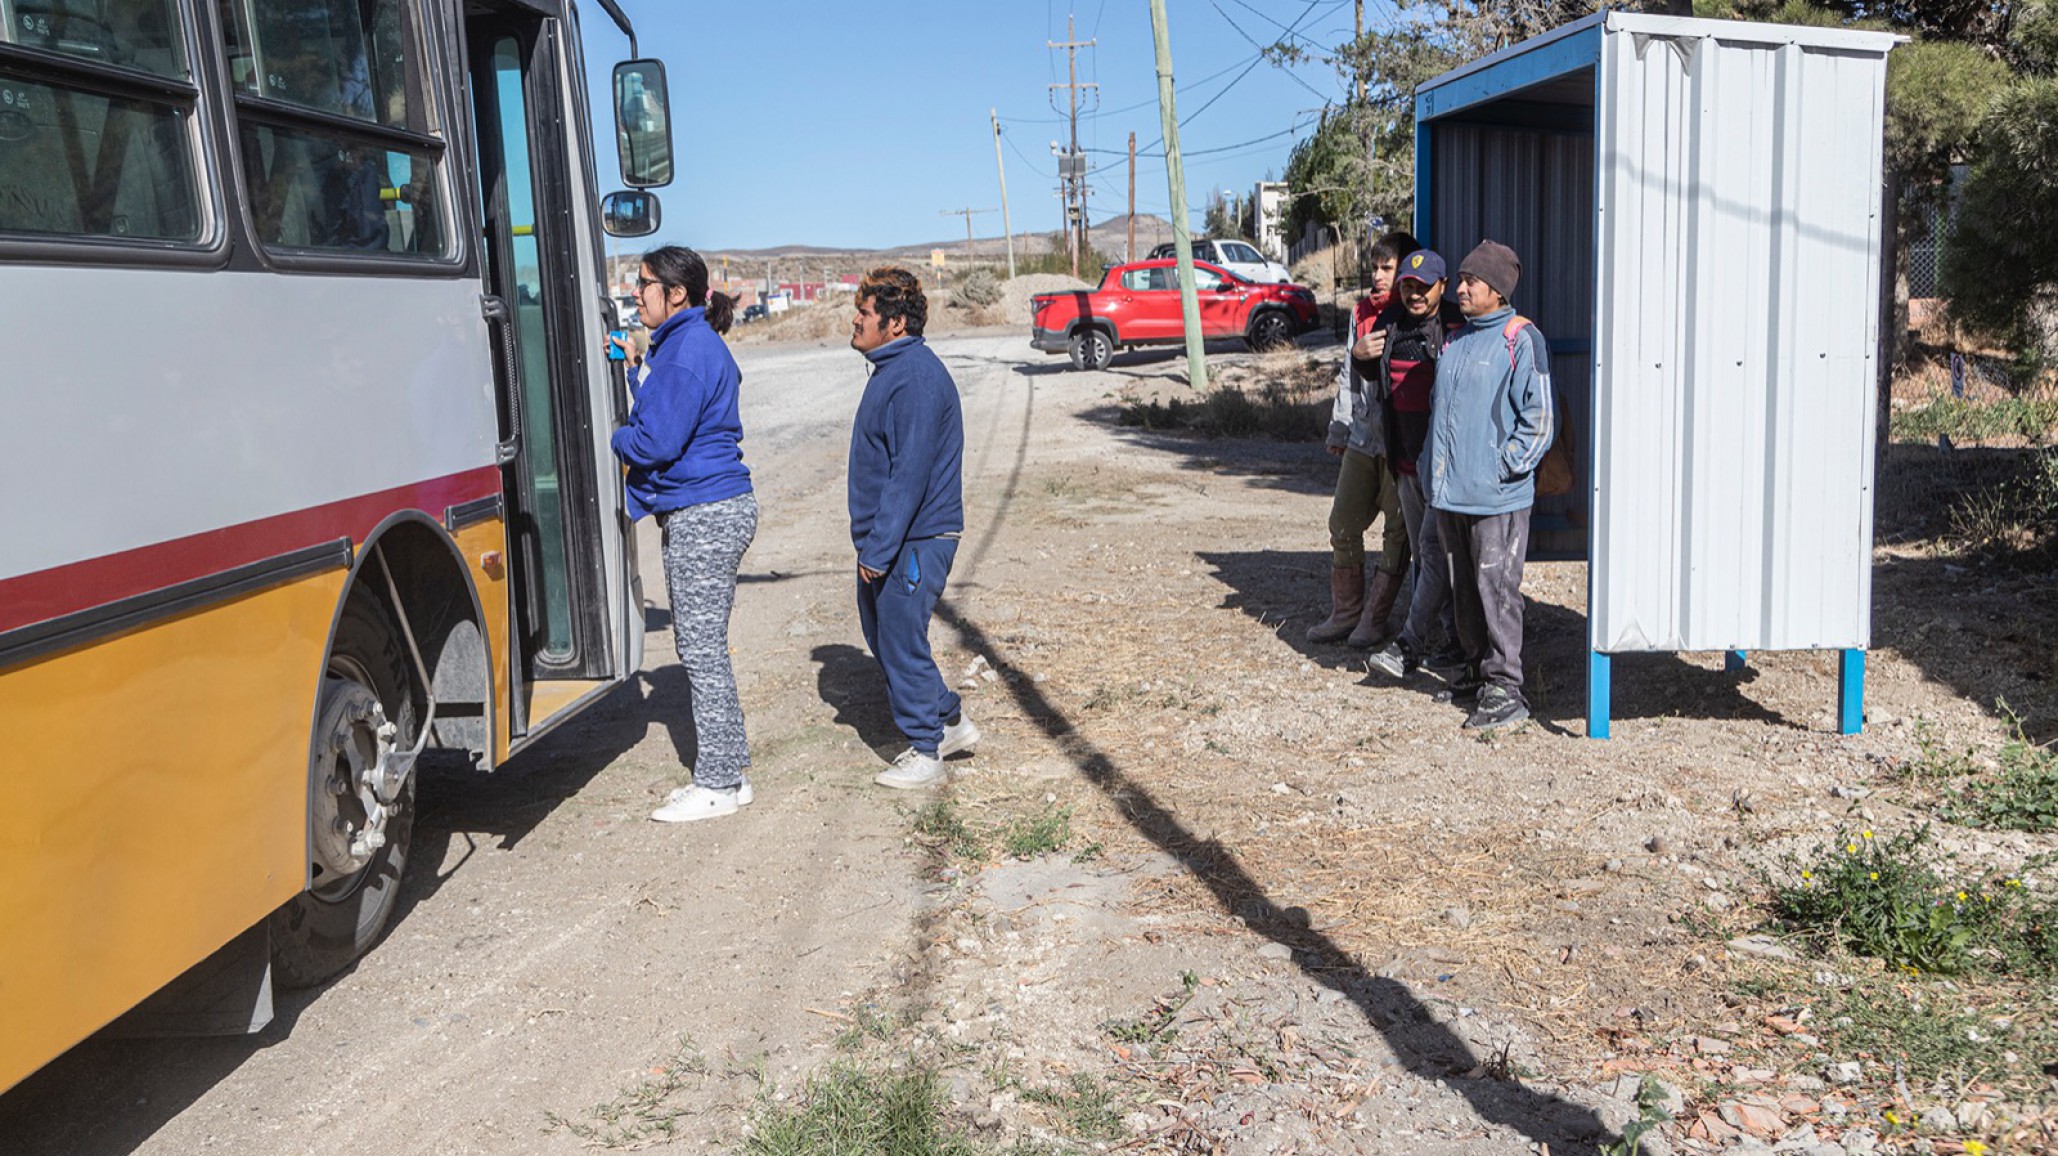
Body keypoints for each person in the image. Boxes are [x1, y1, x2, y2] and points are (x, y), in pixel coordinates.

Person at [610, 245, 759, 821]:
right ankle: (732, 772)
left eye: (644, 284)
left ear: (676, 294)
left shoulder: (685, 352)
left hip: (704, 513)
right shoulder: (685, 345)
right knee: (707, 650)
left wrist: (612, 438)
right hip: (715, 507)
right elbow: (667, 409)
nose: (635, 294)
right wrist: (632, 366)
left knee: (700, 652)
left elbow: (654, 442)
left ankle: (718, 782)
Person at [846, 267, 979, 789]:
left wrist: (879, 549)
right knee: (886, 635)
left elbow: (910, 474)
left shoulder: (916, 378)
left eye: (865, 313)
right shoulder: (893, 371)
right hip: (894, 538)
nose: (856, 321)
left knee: (900, 638)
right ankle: (950, 722)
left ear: (895, 323)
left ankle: (925, 750)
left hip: (916, 537)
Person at [1424, 241, 1554, 729]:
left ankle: (1507, 688)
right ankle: (1479, 675)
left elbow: (1539, 419)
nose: (1459, 288)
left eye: (1469, 281)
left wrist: (1506, 467)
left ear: (1497, 289)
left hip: (1497, 496)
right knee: (1465, 592)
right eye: (1459, 280)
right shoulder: (1457, 341)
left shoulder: (1521, 339)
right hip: (1452, 495)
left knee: (1498, 589)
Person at [1307, 231, 1418, 648]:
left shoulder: (1414, 312)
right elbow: (1348, 375)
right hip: (1363, 437)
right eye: (1374, 267)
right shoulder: (1361, 314)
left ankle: (1374, 620)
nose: (1377, 276)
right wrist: (1340, 427)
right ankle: (1346, 613)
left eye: (1386, 267)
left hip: (1400, 446)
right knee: (1342, 523)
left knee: (1398, 531)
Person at [1365, 250, 1467, 681]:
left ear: (1442, 286)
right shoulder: (1391, 324)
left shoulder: (1458, 328)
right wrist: (1358, 355)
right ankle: (1449, 640)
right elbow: (1377, 381)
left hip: (1445, 468)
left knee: (1442, 555)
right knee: (1429, 559)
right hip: (1405, 463)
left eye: (1424, 287)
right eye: (1408, 286)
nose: (1415, 295)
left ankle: (1429, 642)